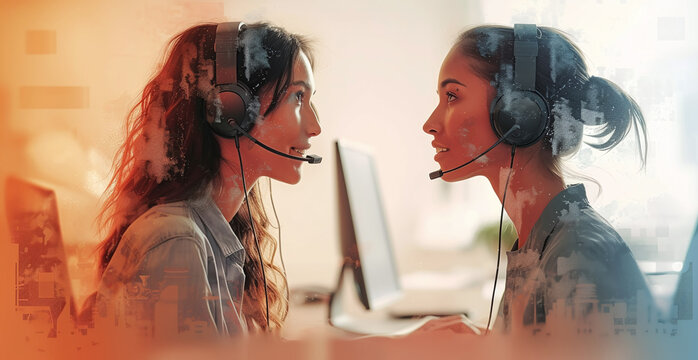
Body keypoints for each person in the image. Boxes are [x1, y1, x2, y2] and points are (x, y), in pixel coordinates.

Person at [91, 21, 321, 339]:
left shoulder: (218, 230)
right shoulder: (177, 242)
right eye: (298, 97)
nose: (315, 126)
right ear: (230, 110)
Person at [421, 24, 652, 335]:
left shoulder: (578, 257)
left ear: (518, 113)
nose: (430, 125)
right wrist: (488, 347)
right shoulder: (544, 241)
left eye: (452, 96)